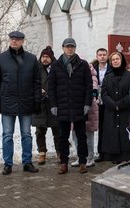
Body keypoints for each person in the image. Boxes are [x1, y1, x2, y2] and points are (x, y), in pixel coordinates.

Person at [0, 31, 41, 175]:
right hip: (7, 103)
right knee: (7, 135)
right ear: (9, 40)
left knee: (26, 134)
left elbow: (37, 82)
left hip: (26, 103)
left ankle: (27, 162)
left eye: (17, 39)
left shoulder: (31, 59)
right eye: (12, 39)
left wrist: (37, 101)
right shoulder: (1, 59)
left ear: (22, 41)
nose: (14, 41)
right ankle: (8, 164)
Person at [48, 38, 92, 174]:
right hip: (62, 106)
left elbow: (89, 86)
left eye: (72, 47)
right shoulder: (56, 65)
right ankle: (63, 163)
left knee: (81, 135)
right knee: (63, 136)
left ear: (75, 48)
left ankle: (83, 162)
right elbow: (52, 87)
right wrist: (53, 105)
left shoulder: (83, 64)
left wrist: (87, 103)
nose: (70, 49)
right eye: (67, 47)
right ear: (62, 48)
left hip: (79, 105)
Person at [101, 52, 130, 162]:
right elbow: (104, 94)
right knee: (112, 133)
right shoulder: (107, 77)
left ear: (122, 60)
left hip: (125, 111)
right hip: (111, 112)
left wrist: (120, 105)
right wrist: (113, 105)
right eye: (113, 60)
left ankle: (126, 157)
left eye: (117, 59)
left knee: (124, 134)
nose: (115, 61)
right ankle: (113, 156)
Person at [32, 46, 60, 165]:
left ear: (51, 58)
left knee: (57, 131)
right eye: (43, 56)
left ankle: (60, 153)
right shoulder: (35, 69)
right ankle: (42, 153)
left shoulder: (57, 68)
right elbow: (30, 84)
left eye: (47, 57)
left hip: (54, 104)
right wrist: (39, 91)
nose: (45, 59)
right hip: (40, 105)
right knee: (40, 131)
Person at [71, 62, 99, 168]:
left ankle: (90, 158)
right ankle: (80, 157)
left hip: (89, 110)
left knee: (88, 136)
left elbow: (94, 89)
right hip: (75, 110)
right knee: (75, 135)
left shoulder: (92, 77)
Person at [93, 48, 112, 163]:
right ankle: (101, 153)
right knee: (100, 128)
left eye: (104, 55)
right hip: (97, 103)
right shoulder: (93, 69)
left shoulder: (111, 69)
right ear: (97, 56)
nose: (102, 57)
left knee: (109, 128)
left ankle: (110, 152)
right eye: (100, 55)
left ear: (107, 56)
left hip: (108, 101)